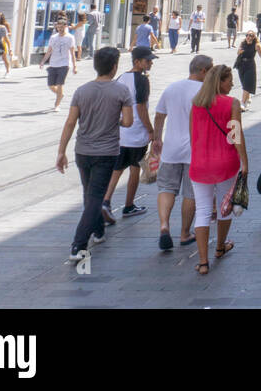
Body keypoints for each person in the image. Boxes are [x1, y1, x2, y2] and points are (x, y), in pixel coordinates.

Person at [56, 46, 134, 264]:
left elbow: (70, 122)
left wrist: (61, 152)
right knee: (95, 197)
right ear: (115, 66)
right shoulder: (121, 91)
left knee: (90, 194)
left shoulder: (82, 90)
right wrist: (113, 121)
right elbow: (128, 122)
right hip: (106, 151)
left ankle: (98, 231)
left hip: (82, 151)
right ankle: (79, 244)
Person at [189, 64, 247, 275]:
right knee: (224, 207)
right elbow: (236, 135)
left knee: (203, 211)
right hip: (225, 163)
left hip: (200, 164)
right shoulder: (232, 103)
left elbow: (192, 135)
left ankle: (203, 262)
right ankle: (220, 247)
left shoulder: (196, 103)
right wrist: (245, 162)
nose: (232, 83)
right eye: (229, 80)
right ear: (220, 82)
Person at [152, 54, 212, 251]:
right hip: (196, 150)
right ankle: (185, 233)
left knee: (166, 188)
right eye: (210, 70)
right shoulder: (206, 91)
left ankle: (164, 226)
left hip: (171, 148)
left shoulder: (172, 87)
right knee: (191, 193)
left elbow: (160, 115)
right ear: (203, 71)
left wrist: (157, 139)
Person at [102, 46, 156, 222]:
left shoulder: (120, 78)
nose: (150, 63)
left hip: (121, 132)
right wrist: (150, 129)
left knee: (117, 168)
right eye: (148, 60)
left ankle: (106, 201)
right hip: (137, 132)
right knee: (135, 168)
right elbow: (140, 107)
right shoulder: (141, 80)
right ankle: (129, 205)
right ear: (137, 62)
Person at [44, 17, 79, 112]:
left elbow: (72, 53)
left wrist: (74, 66)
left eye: (61, 27)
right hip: (53, 63)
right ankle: (60, 94)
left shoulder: (70, 38)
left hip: (64, 64)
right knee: (51, 85)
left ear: (66, 26)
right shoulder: (53, 37)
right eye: (58, 27)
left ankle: (57, 105)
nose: (59, 29)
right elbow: (49, 51)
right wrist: (43, 61)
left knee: (59, 84)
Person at [234, 30, 261, 110]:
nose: (248, 37)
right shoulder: (243, 43)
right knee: (244, 84)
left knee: (247, 84)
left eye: (251, 35)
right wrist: (239, 52)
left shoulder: (256, 45)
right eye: (247, 35)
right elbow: (238, 53)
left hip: (250, 65)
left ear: (254, 37)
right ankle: (247, 99)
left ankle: (242, 103)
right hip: (241, 65)